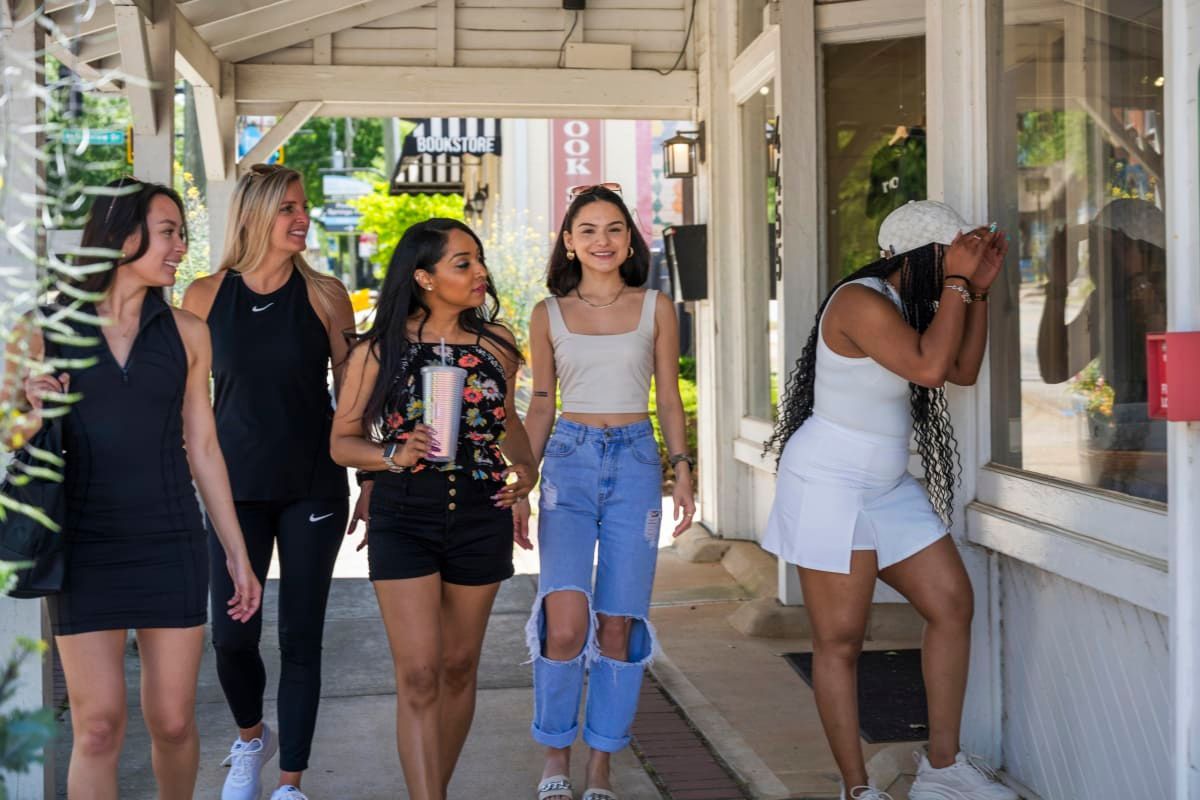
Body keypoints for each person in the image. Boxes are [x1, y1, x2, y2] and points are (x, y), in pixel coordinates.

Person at [9, 177, 261, 800]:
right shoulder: (42, 326)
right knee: (96, 728)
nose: (181, 246)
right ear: (122, 236)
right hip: (83, 545)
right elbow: (12, 436)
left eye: (182, 233)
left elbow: (204, 448)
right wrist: (29, 413)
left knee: (173, 722)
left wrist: (235, 551)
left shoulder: (187, 333)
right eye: (169, 231)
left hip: (170, 538)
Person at [762, 200, 1014, 800]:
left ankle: (942, 772)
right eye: (952, 256)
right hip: (828, 484)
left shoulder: (914, 302)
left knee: (951, 604)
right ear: (924, 256)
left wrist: (976, 292)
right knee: (842, 639)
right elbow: (929, 369)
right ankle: (858, 789)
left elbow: (962, 369)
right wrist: (957, 281)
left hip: (886, 487)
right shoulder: (859, 301)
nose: (960, 268)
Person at [330, 218, 537, 800]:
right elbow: (341, 440)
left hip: (481, 511)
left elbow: (509, 422)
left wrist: (528, 469)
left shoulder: (497, 343)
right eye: (462, 263)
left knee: (459, 668)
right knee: (419, 675)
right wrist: (392, 454)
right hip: (405, 512)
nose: (480, 273)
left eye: (479, 261)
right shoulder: (378, 349)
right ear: (423, 277)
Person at [181, 164, 357, 800]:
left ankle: (289, 784)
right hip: (233, 494)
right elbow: (182, 403)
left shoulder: (326, 295)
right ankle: (252, 738)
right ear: (254, 216)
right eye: (288, 208)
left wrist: (371, 476)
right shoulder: (203, 296)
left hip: (313, 485)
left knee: (301, 635)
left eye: (303, 205)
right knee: (231, 636)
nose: (301, 217)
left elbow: (354, 392)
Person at [522, 184, 696, 800]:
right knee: (565, 622)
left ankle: (601, 765)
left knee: (618, 624)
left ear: (630, 240)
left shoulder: (657, 307)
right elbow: (541, 403)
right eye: (588, 229)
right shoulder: (548, 313)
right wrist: (522, 481)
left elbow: (669, 396)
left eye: (614, 228)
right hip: (568, 462)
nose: (602, 240)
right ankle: (555, 755)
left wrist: (682, 466)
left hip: (636, 463)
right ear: (569, 241)